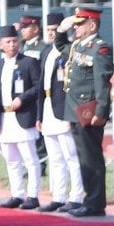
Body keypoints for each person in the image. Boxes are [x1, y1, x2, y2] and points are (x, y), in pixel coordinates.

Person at [54, 6, 113, 217]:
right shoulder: (78, 46)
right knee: (83, 157)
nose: (76, 28)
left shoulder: (99, 48)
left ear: (93, 25)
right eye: (76, 24)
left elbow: (102, 83)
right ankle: (90, 199)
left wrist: (101, 111)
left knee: (91, 157)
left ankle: (95, 203)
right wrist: (62, 28)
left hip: (89, 109)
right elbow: (60, 44)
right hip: (76, 110)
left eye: (80, 24)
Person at [36, 11, 85, 213]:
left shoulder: (69, 49)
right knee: (55, 157)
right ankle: (58, 196)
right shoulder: (46, 52)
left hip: (63, 106)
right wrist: (39, 115)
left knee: (71, 155)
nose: (51, 34)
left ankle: (76, 196)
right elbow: (41, 84)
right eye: (48, 30)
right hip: (48, 105)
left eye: (54, 30)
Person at [0, 25, 43, 209]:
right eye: (8, 42)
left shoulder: (28, 62)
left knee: (30, 158)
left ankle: (33, 195)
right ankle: (17, 194)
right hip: (5, 118)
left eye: (14, 41)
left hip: (23, 116)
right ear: (1, 45)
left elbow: (38, 87)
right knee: (11, 159)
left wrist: (22, 98)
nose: (12, 45)